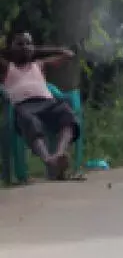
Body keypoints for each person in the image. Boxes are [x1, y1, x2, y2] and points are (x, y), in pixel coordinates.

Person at [0, 32, 80, 179]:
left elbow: (67, 54)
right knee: (30, 121)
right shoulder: (7, 68)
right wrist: (16, 52)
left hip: (48, 104)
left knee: (67, 114)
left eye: (28, 43)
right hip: (24, 106)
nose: (25, 47)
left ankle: (58, 155)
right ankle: (48, 161)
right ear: (11, 48)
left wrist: (37, 50)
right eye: (20, 44)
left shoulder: (39, 65)